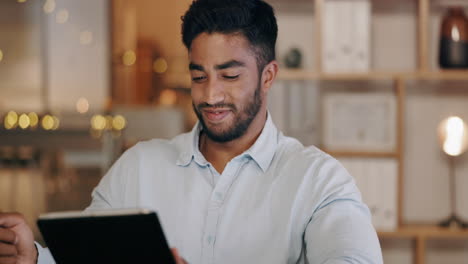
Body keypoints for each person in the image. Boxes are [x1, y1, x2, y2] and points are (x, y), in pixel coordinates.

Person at [0, 0, 383, 263]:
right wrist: (34, 257)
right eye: (198, 76)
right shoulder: (138, 168)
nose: (211, 94)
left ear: (268, 76)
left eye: (230, 75)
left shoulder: (319, 182)